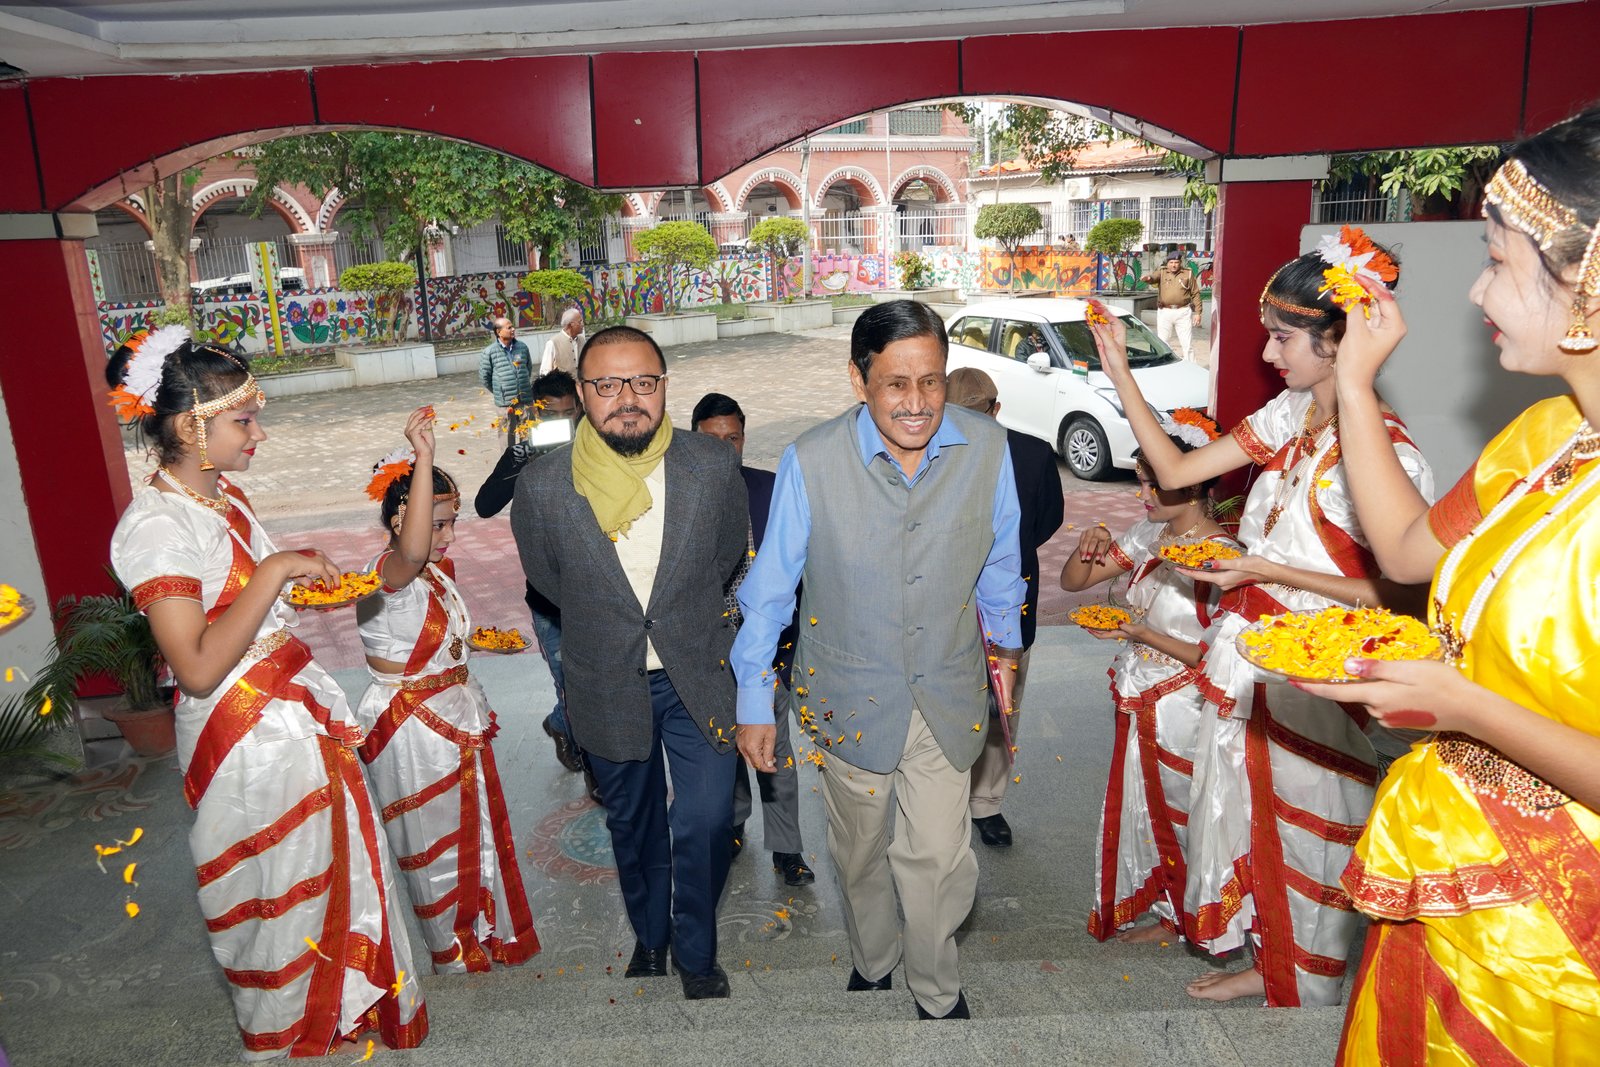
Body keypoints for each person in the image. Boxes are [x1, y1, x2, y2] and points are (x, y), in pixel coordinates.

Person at [1299, 112, 1600, 1062]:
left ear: (1590, 286)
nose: (1476, 287)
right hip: (1449, 854)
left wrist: (1456, 701)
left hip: (1557, 927)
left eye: (1500, 262)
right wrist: (1355, 381)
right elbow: (1402, 551)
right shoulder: (1544, 439)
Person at [1084, 229, 1433, 1008]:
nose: (1270, 355)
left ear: (1340, 342)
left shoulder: (1384, 455)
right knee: (1247, 820)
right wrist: (1117, 372)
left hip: (1316, 673)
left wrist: (1265, 568)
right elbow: (1175, 471)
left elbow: (1405, 599)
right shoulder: (1291, 416)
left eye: (1283, 339)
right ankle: (1267, 957)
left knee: (1309, 827)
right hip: (1246, 658)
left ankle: (1305, 995)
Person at [106, 327, 427, 1058]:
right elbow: (193, 665)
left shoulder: (224, 499)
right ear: (191, 424)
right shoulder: (156, 527)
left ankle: (334, 1021)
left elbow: (249, 608)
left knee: (325, 876)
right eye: (243, 420)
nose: (259, 433)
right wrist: (276, 570)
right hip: (243, 738)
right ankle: (287, 1038)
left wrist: (291, 581)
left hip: (293, 718)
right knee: (276, 895)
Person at [731, 300, 1027, 1021]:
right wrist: (750, 701)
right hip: (846, 699)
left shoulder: (988, 448)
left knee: (937, 859)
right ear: (859, 378)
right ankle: (874, 955)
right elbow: (768, 593)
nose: (918, 403)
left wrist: (1006, 665)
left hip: (947, 696)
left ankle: (936, 985)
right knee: (860, 854)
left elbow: (1001, 569)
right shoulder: (813, 459)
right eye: (896, 383)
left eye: (931, 380)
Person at [510, 326, 747, 1000]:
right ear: (582, 394)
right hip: (607, 679)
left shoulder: (709, 466)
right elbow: (551, 580)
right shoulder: (544, 486)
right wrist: (617, 621)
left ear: (664, 386)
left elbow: (727, 551)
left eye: (643, 382)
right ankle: (651, 933)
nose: (627, 399)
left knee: (704, 821)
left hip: (695, 672)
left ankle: (696, 950)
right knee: (633, 822)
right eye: (607, 385)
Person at [353, 408, 540, 975]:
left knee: (474, 830)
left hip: (453, 713)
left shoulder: (434, 572)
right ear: (400, 521)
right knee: (433, 843)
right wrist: (424, 457)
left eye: (452, 521)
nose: (448, 536)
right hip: (413, 726)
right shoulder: (390, 567)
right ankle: (451, 950)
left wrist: (475, 645)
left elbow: (438, 642)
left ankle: (481, 931)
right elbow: (409, 555)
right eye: (437, 523)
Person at [1060, 431, 1234, 942]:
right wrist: (1087, 542)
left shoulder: (1224, 558)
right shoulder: (1146, 537)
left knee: (1187, 809)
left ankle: (1194, 916)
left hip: (1191, 703)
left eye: (1154, 485)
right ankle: (1167, 908)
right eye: (1142, 483)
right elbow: (1073, 582)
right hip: (1143, 696)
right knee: (1146, 805)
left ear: (1194, 484)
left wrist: (1141, 632)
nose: (1145, 496)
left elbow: (1218, 656)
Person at [690, 392, 814, 887]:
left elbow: (799, 568)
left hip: (765, 650)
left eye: (733, 438)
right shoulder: (677, 495)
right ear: (691, 436)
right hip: (704, 654)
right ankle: (734, 825)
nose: (724, 448)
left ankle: (787, 848)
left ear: (744, 438)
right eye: (712, 438)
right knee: (724, 750)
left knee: (776, 753)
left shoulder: (771, 488)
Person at [945, 368, 1065, 848]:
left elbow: (1044, 521)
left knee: (1002, 702)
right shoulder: (933, 453)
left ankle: (986, 804)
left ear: (997, 412)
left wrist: (1004, 562)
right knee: (955, 701)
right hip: (946, 605)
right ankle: (948, 796)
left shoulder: (1031, 453)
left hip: (1011, 603)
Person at [474, 371, 589, 786]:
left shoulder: (597, 447)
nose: (561, 423)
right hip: (547, 599)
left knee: (593, 683)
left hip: (598, 594)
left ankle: (565, 725)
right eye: (550, 415)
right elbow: (485, 505)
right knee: (571, 684)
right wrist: (520, 460)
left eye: (567, 413)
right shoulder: (525, 453)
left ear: (579, 408)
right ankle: (586, 755)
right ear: (534, 415)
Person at [479, 316, 533, 446]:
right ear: (498, 332)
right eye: (509, 327)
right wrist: (500, 391)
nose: (513, 329)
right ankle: (509, 465)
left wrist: (522, 385)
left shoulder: (522, 347)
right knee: (507, 439)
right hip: (505, 404)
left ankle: (528, 464)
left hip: (524, 401)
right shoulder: (489, 352)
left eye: (512, 326)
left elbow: (528, 369)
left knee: (528, 437)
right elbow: (484, 378)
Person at [1140, 251, 1202, 361]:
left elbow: (1195, 293)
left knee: (1187, 344)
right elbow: (1153, 278)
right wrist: (1148, 278)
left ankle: (1191, 367)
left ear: (1180, 263)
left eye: (1176, 262)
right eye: (1171, 262)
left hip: (1183, 312)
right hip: (1165, 312)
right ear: (1167, 263)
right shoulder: (1162, 272)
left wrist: (1198, 313)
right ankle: (1165, 365)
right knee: (1163, 342)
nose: (1173, 265)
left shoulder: (1187, 273)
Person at [540, 308, 586, 377]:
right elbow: (544, 372)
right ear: (571, 325)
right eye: (580, 322)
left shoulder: (582, 340)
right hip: (563, 386)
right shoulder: (553, 343)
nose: (583, 324)